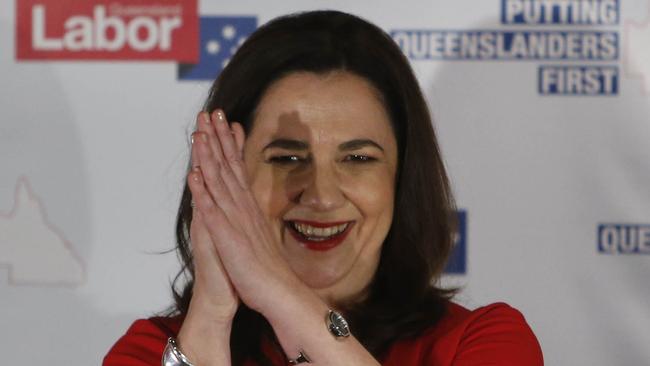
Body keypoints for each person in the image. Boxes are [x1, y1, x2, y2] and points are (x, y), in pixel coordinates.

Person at [104, 10, 543, 366]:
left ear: (402, 177)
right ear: (227, 170)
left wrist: (279, 294)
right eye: (287, 158)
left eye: (358, 159)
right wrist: (211, 319)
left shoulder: (483, 343)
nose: (322, 195)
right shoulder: (152, 352)